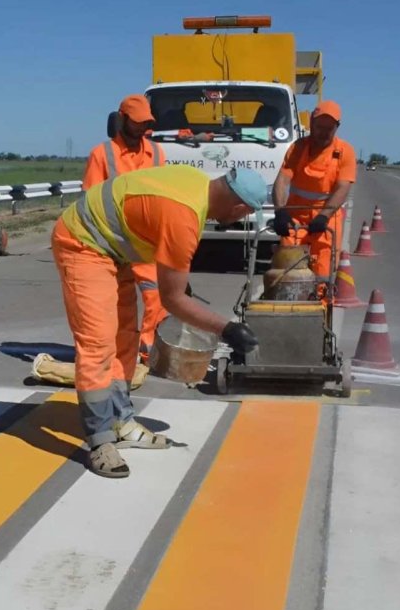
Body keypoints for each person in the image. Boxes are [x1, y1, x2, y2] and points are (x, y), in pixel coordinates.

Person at [52, 164, 266, 478]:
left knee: (124, 337)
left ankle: (121, 421)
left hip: (115, 248)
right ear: (238, 206)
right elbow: (173, 300)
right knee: (98, 341)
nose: (240, 219)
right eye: (245, 214)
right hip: (83, 243)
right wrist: (227, 329)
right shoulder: (184, 218)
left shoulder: (195, 182)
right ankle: (100, 441)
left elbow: (153, 228)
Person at [82, 95, 168, 364]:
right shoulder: (102, 154)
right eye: (138, 123)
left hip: (145, 241)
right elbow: (90, 201)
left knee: (157, 295)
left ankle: (147, 347)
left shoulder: (157, 153)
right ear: (122, 120)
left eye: (147, 123)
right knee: (120, 301)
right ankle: (121, 350)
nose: (143, 128)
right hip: (114, 242)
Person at [270, 100, 357, 279]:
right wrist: (280, 211)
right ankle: (290, 303)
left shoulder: (345, 151)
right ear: (311, 123)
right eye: (320, 127)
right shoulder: (298, 148)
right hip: (296, 216)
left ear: (337, 127)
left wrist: (324, 216)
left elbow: (343, 188)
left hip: (326, 218)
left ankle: (322, 303)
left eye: (329, 128)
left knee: (323, 268)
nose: (324, 132)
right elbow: (282, 179)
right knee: (287, 267)